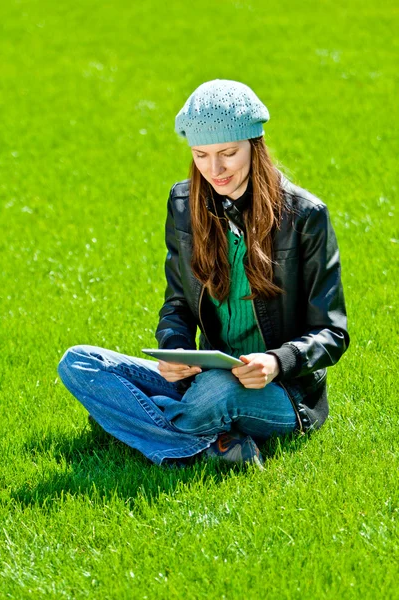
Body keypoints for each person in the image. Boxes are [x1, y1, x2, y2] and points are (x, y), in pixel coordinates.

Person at [58, 79, 349, 468]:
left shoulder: (305, 216)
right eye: (201, 155)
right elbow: (177, 302)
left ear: (254, 146)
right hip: (208, 371)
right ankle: (216, 441)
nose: (215, 169)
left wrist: (278, 361)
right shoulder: (184, 204)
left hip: (281, 392)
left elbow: (333, 332)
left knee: (215, 391)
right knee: (78, 363)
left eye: (228, 153)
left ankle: (130, 422)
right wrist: (176, 347)